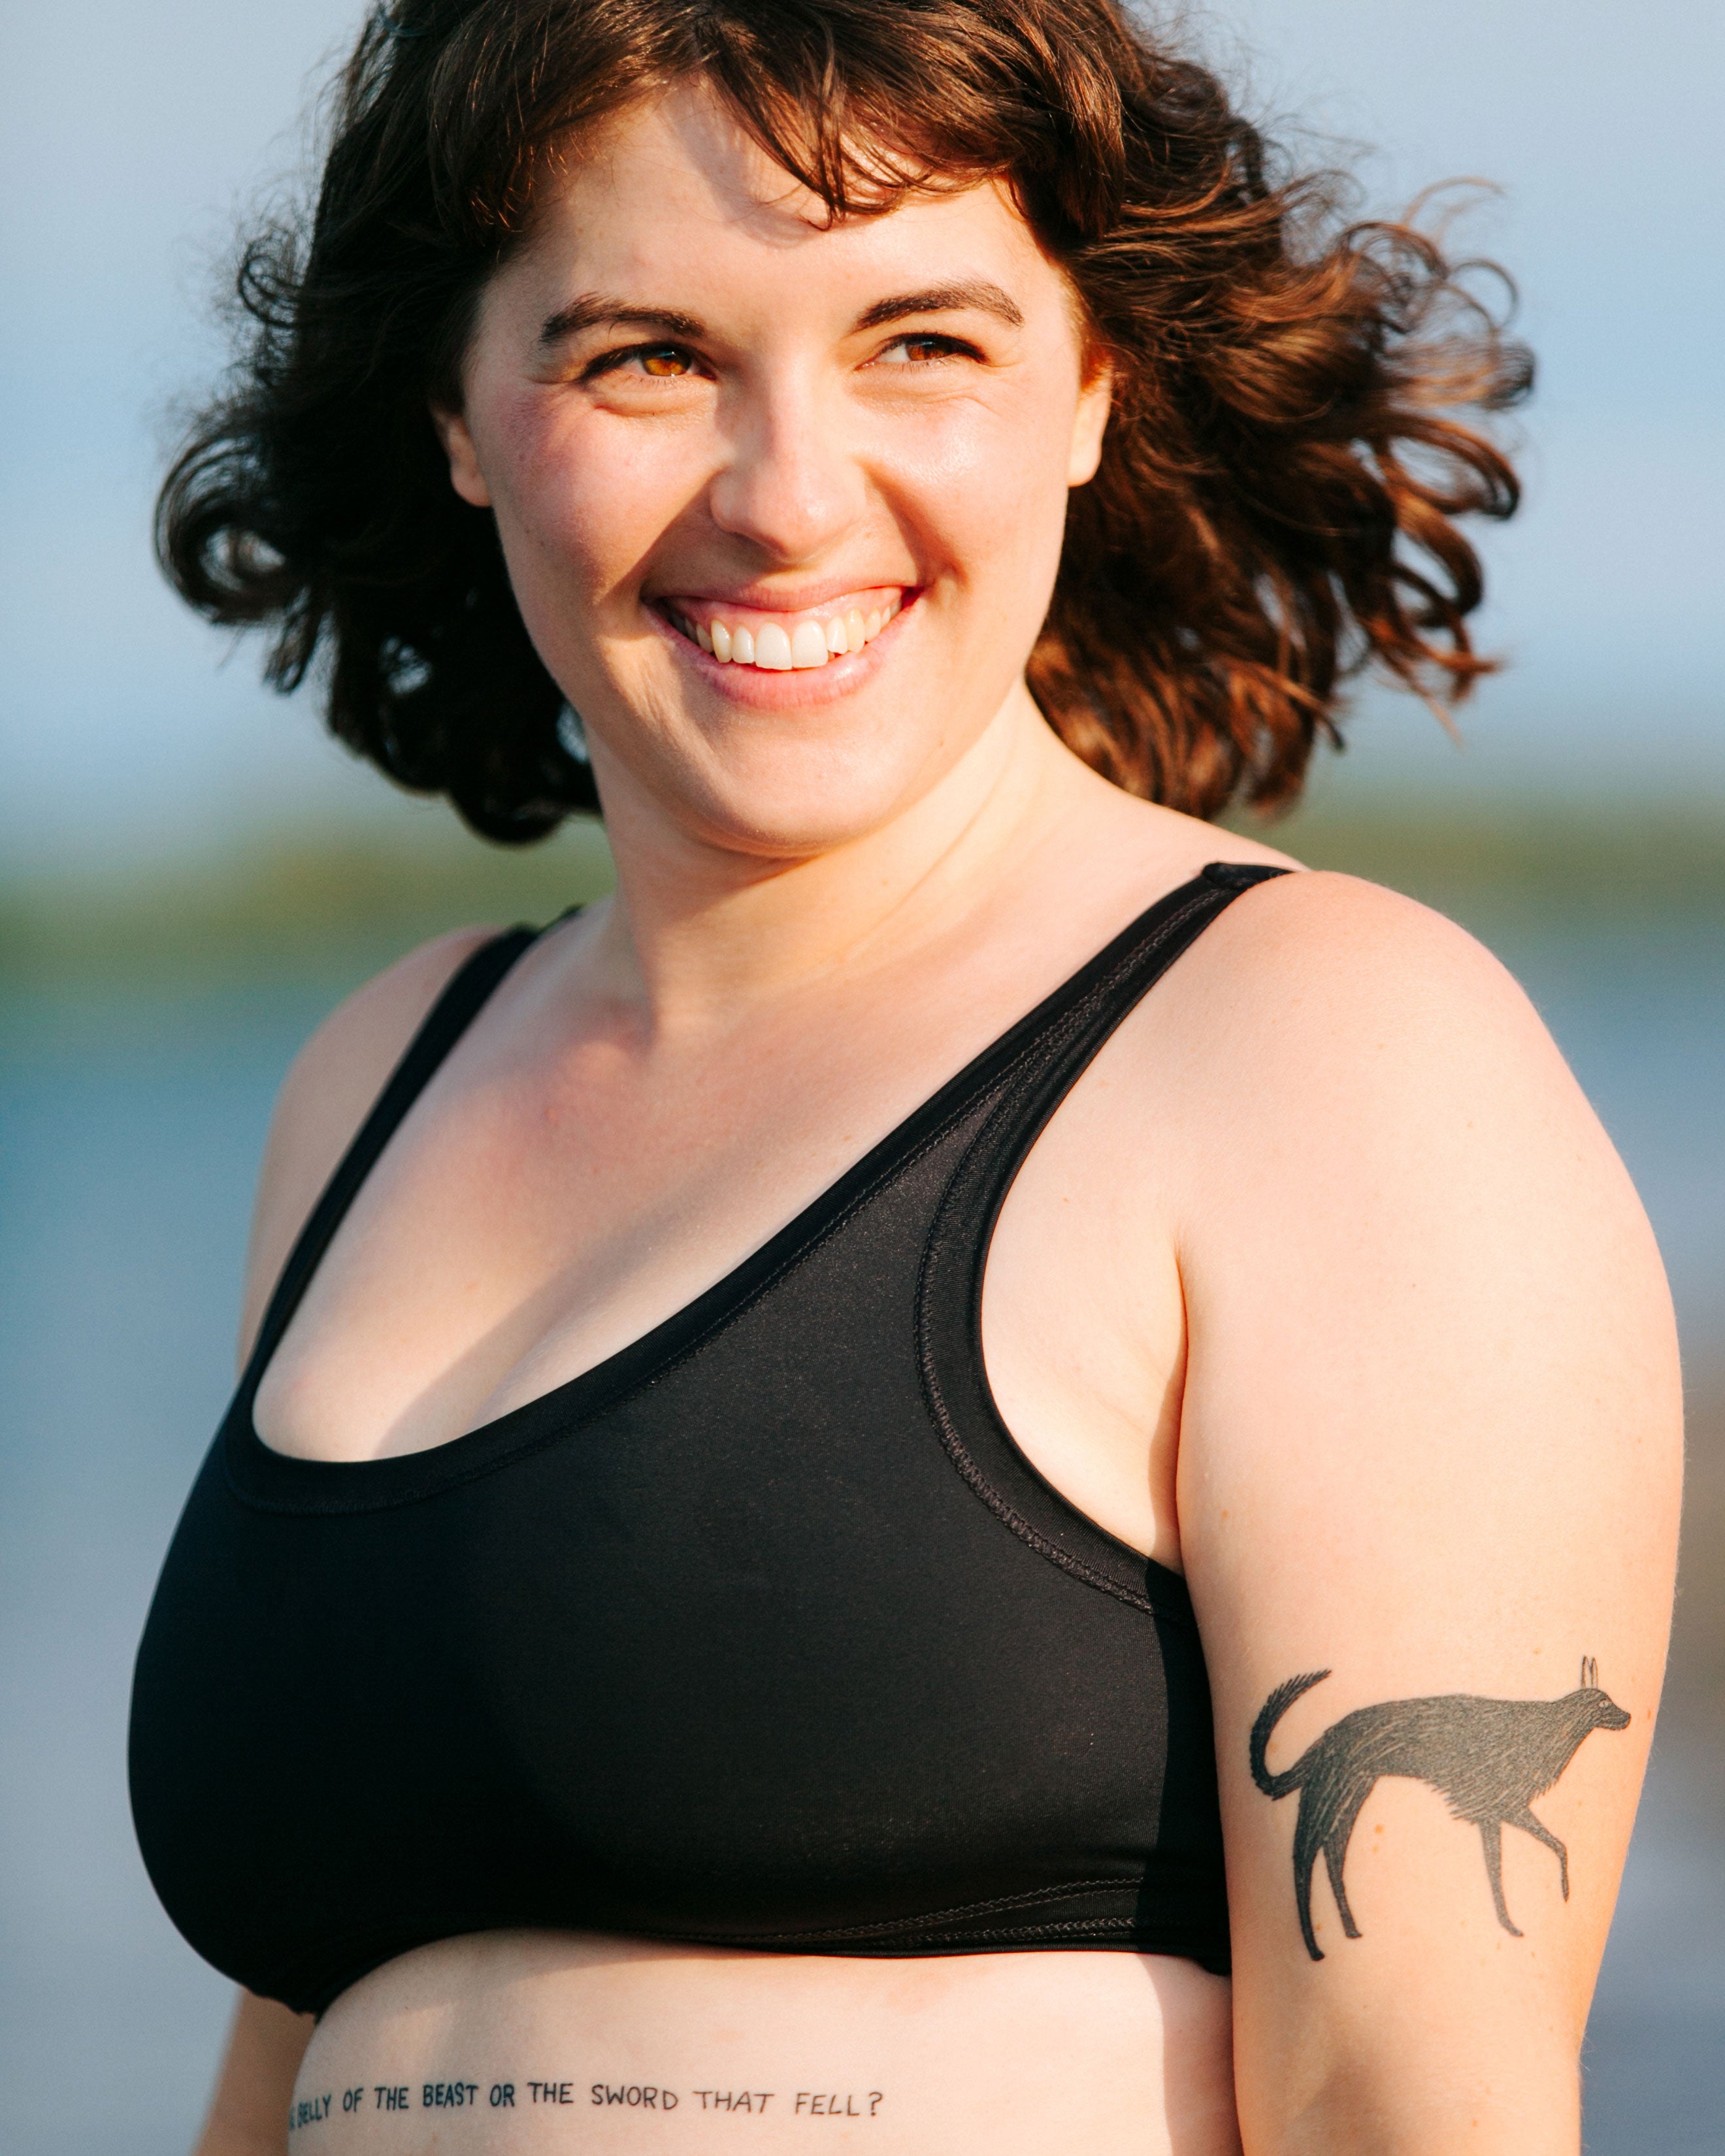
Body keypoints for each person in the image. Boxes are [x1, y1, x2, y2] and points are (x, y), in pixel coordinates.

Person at [129, 2, 1681, 2150]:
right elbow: (284, 2054)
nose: (785, 498)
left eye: (920, 342)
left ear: (1090, 386)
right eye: (647, 354)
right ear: (461, 413)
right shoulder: (380, 1075)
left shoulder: (1321, 1051)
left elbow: (1420, 2105)